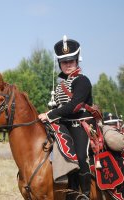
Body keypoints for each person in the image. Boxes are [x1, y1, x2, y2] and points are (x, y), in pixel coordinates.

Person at [38, 35, 93, 200]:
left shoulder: (82, 81)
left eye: (71, 61)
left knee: (81, 157)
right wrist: (52, 112)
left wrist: (50, 115)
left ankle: (85, 194)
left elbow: (74, 106)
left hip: (80, 124)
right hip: (63, 124)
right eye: (64, 62)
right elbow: (61, 106)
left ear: (77, 61)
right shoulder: (62, 82)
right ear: (60, 63)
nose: (67, 65)